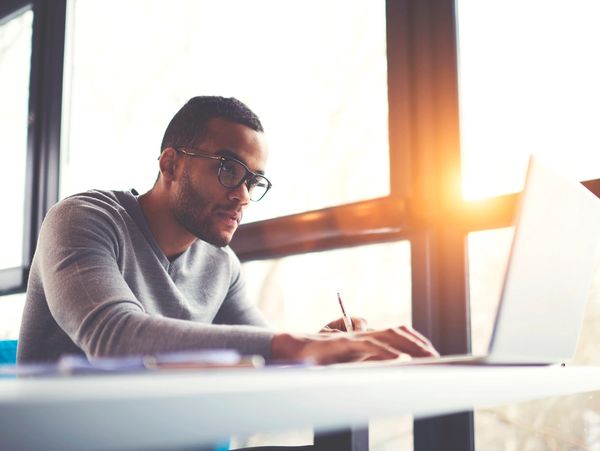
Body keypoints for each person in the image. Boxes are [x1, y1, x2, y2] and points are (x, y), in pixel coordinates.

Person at [17, 96, 438, 366]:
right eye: (228, 170)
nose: (243, 196)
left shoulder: (221, 265)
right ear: (170, 164)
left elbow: (262, 350)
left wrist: (322, 347)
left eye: (253, 181)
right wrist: (292, 345)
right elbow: (113, 337)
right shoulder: (83, 219)